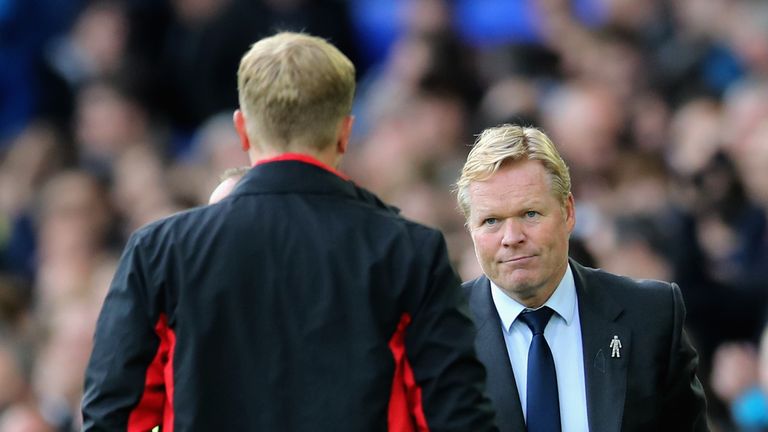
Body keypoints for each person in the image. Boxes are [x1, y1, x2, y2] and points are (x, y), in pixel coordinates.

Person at [81, 32, 497, 431]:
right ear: (345, 133)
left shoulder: (159, 251)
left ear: (242, 129)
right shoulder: (410, 251)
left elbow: (114, 415)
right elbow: (454, 415)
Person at [455, 124, 708, 431]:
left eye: (530, 214)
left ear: (568, 212)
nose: (511, 237)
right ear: (470, 230)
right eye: (491, 220)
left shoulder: (652, 316)